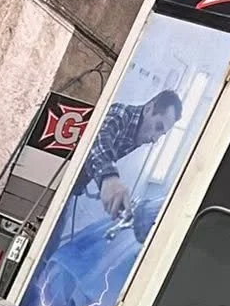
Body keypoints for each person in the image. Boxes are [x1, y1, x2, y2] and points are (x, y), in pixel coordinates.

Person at [78, 88, 183, 225]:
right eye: (158, 127)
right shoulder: (120, 114)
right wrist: (110, 179)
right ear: (148, 109)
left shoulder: (137, 135)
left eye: (161, 134)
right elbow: (99, 138)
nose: (154, 139)